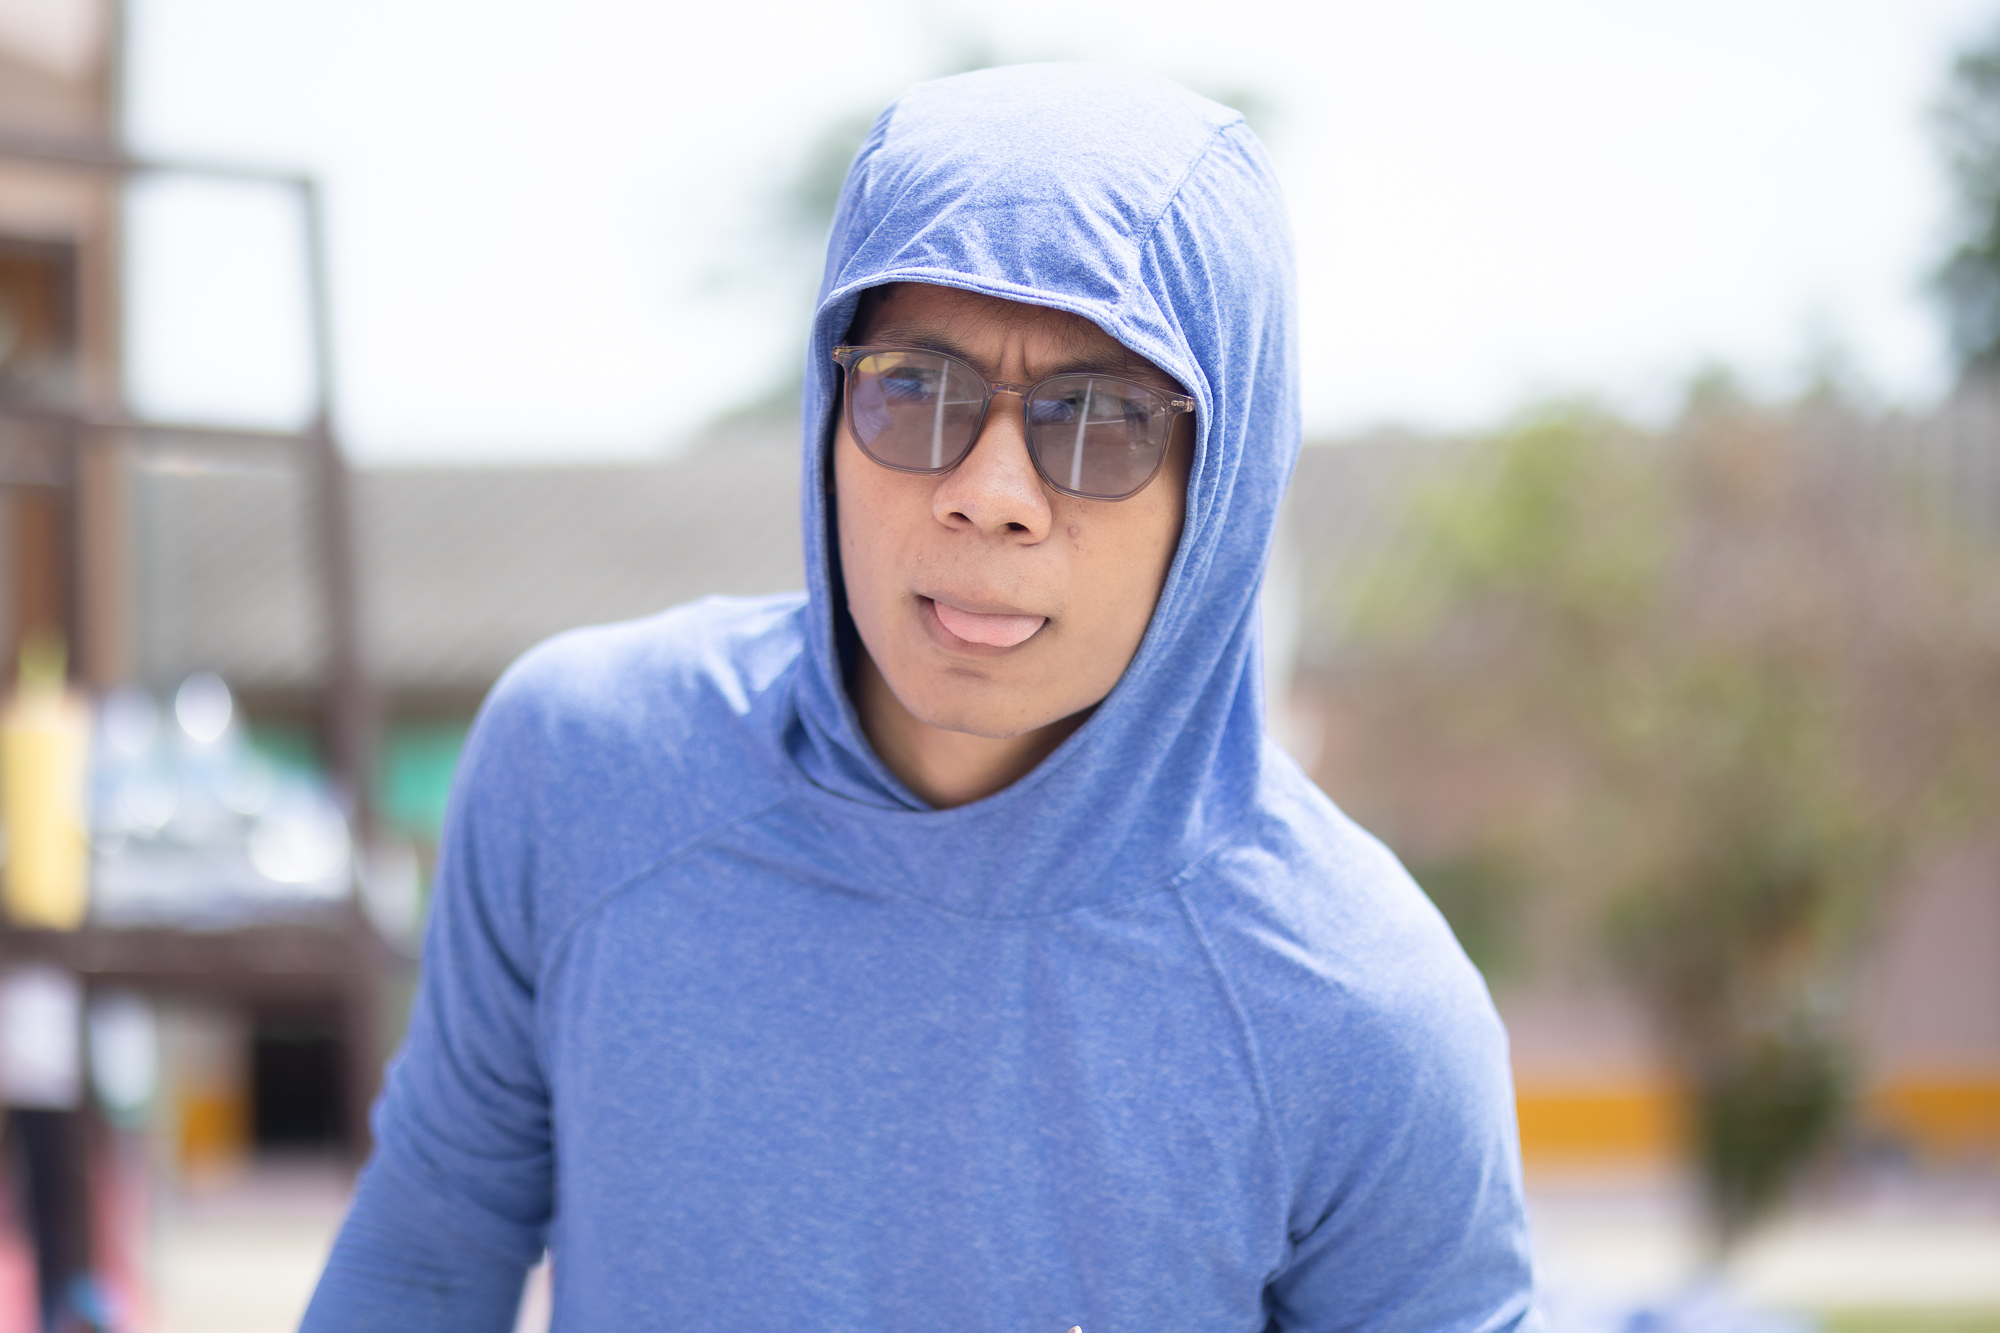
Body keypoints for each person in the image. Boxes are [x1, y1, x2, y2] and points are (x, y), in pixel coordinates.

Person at [303, 63, 1538, 1332]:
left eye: (1099, 419)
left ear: (1217, 489)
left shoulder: (1358, 1009)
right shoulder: (583, 770)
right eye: (912, 386)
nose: (989, 493)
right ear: (829, 410)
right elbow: (428, 1247)